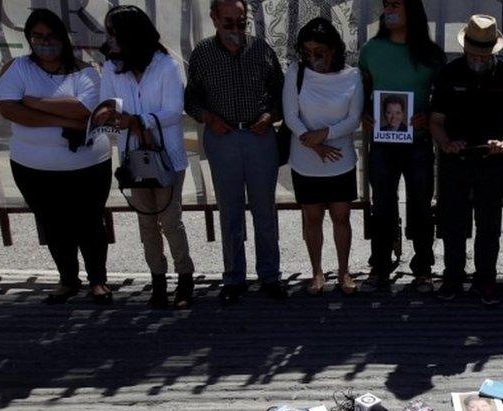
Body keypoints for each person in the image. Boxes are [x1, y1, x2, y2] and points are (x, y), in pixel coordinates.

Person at [0, 9, 113, 305]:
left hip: (88, 167)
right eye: (38, 36)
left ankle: (98, 281)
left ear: (63, 37)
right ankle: (68, 280)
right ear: (29, 39)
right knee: (53, 224)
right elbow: (8, 107)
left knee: (90, 224)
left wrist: (32, 102)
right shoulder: (17, 68)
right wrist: (62, 117)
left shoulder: (86, 71)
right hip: (33, 168)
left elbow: (85, 111)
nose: (45, 42)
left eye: (51, 36)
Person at [185, 0, 286, 304]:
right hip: (223, 137)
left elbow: (282, 95)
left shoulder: (261, 50)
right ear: (214, 19)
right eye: (228, 22)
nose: (235, 29)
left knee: (264, 211)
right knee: (230, 212)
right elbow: (190, 101)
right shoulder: (202, 53)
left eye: (241, 22)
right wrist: (208, 118)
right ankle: (234, 278)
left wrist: (271, 116)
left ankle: (270, 276)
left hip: (260, 137)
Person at [100, 5, 195, 309]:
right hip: (133, 156)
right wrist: (115, 119)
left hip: (166, 156)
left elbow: (173, 110)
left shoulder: (165, 65)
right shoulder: (111, 68)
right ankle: (157, 280)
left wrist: (140, 121)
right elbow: (107, 107)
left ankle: (184, 276)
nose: (110, 39)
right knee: (146, 222)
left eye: (113, 33)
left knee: (170, 220)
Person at [430, 14, 503, 306]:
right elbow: (435, 121)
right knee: (452, 222)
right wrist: (445, 143)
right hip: (455, 160)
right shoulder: (448, 75)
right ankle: (452, 277)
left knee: (489, 224)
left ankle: (486, 279)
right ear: (464, 48)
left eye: (484, 54)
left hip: (492, 161)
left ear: (493, 50)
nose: (479, 59)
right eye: (473, 53)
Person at [359, 0, 445, 294]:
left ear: (412, 11)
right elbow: (361, 92)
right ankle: (380, 265)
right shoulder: (370, 50)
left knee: (421, 205)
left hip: (419, 143)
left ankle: (423, 268)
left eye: (396, 4)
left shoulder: (432, 55)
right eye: (386, 5)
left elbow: (443, 100)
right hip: (382, 144)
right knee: (381, 204)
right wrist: (364, 114)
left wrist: (429, 113)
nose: (389, 9)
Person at [283, 18, 363, 296]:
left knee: (342, 217)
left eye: (319, 52)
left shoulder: (352, 76)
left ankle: (344, 271)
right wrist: (313, 143)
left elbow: (354, 119)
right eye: (307, 53)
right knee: (312, 217)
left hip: (340, 158)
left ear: (334, 49)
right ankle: (317, 271)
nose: (312, 58)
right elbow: (291, 115)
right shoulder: (296, 72)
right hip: (306, 159)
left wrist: (325, 134)